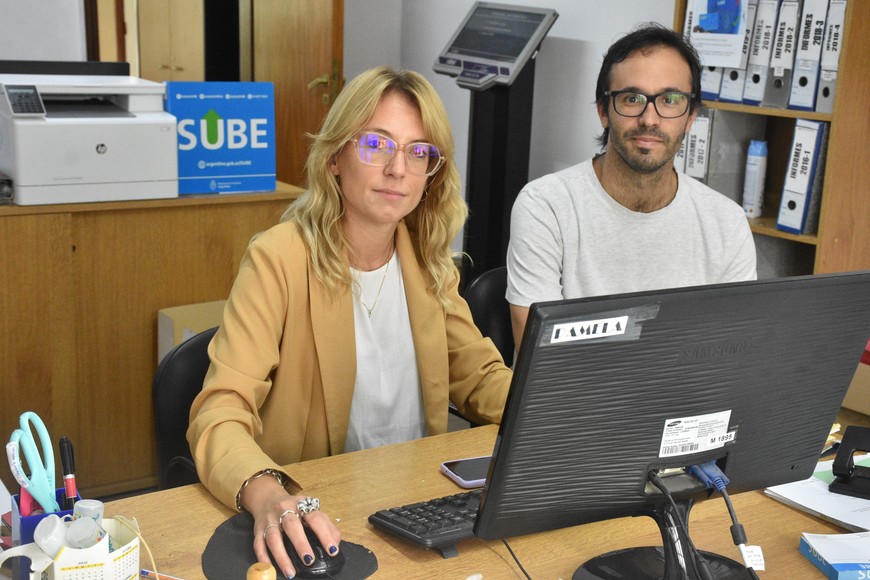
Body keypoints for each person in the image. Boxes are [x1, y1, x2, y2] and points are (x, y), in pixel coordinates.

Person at [187, 66, 511, 578]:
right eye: (377, 144)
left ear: (432, 174)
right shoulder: (279, 259)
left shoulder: (428, 261)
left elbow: (480, 377)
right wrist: (266, 492)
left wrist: (564, 410)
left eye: (419, 152)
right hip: (315, 516)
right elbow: (220, 410)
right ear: (336, 157)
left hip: (411, 512)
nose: (397, 169)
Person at [506, 23, 757, 349]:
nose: (650, 119)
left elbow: (732, 350)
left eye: (669, 100)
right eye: (632, 98)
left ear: (691, 116)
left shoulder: (726, 223)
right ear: (603, 112)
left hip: (683, 399)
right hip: (576, 399)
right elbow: (541, 358)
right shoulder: (546, 206)